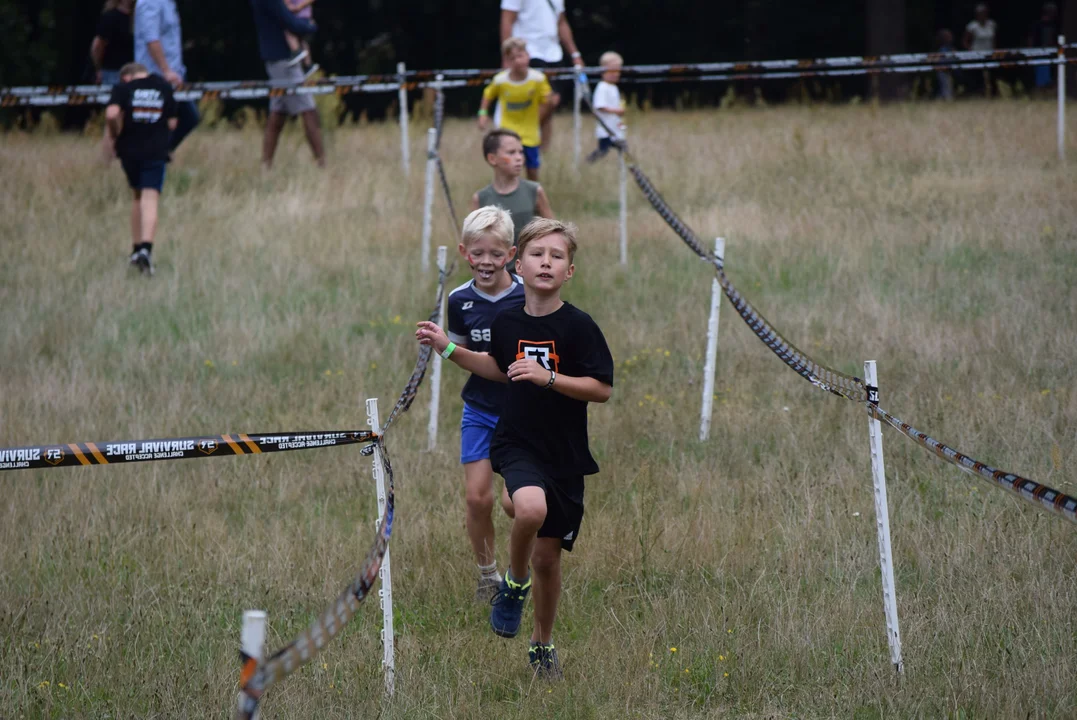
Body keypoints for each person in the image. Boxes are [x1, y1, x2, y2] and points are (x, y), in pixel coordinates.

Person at [416, 217, 614, 679]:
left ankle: (542, 644)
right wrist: (447, 349)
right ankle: (513, 581)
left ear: (569, 272)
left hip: (564, 452)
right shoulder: (507, 321)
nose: (547, 261)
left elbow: (601, 388)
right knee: (527, 509)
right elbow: (493, 366)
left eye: (557, 256)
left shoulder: (580, 326)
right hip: (516, 441)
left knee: (549, 559)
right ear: (519, 265)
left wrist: (549, 378)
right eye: (538, 254)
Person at [445, 206, 527, 602]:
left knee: (516, 504)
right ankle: (487, 575)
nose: (486, 262)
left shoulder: (527, 296)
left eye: (496, 254)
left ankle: (522, 567)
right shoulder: (459, 300)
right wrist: (444, 349)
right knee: (479, 497)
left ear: (511, 254)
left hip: (524, 411)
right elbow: (456, 352)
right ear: (465, 252)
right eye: (478, 253)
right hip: (478, 409)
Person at [105, 62, 178, 276]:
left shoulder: (123, 89)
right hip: (155, 150)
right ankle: (146, 248)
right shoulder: (164, 87)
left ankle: (136, 249)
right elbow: (173, 123)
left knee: (137, 195)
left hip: (129, 150)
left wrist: (114, 134)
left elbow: (111, 114)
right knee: (150, 197)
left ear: (126, 77)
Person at [500, 0, 584, 151]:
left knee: (551, 103)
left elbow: (561, 22)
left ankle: (539, 152)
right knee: (545, 101)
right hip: (528, 53)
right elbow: (507, 20)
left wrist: (575, 53)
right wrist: (507, 57)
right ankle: (518, 140)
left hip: (553, 54)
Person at [250, 0, 324, 169]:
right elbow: (288, 21)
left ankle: (265, 166)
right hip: (284, 60)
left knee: (278, 113)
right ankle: (322, 163)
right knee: (308, 109)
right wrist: (310, 26)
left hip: (277, 58)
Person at [478, 38, 554, 182]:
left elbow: (547, 101)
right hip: (507, 131)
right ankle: (508, 197)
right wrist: (482, 114)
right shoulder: (501, 80)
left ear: (528, 56)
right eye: (512, 58)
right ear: (506, 61)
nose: (518, 61)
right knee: (508, 169)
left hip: (530, 133)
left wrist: (543, 111)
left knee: (532, 169)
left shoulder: (538, 79)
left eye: (521, 56)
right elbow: (488, 95)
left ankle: (533, 198)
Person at [134, 0, 200, 155]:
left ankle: (160, 156)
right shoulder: (149, 3)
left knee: (188, 118)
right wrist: (166, 70)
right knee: (160, 123)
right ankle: (153, 158)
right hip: (155, 76)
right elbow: (152, 39)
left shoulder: (168, 3)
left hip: (174, 76)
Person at [471, 129, 555, 245]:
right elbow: (474, 244)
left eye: (521, 152)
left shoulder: (534, 191)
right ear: (492, 159)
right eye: (511, 152)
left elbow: (554, 234)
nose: (519, 158)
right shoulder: (480, 199)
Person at [585, 51, 626, 163]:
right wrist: (617, 111)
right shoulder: (602, 87)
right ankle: (588, 163)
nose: (616, 74)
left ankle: (623, 171)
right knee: (603, 150)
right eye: (612, 70)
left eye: (618, 70)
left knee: (623, 149)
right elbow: (600, 106)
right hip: (605, 129)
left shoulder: (614, 88)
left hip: (615, 128)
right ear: (603, 70)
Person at [91, 0, 134, 87]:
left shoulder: (140, 17)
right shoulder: (110, 17)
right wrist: (98, 68)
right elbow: (97, 46)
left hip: (136, 71)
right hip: (112, 71)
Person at [963, 3, 997, 97]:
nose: (983, 15)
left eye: (984, 13)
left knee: (991, 76)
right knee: (978, 76)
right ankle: (978, 93)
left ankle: (993, 93)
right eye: (980, 13)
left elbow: (994, 40)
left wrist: (994, 51)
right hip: (976, 54)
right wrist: (971, 52)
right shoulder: (972, 26)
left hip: (990, 54)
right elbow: (965, 41)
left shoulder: (992, 24)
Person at [283, 0, 319, 78]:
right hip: (303, 21)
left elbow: (291, 7)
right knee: (302, 40)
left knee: (288, 30)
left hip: (303, 21)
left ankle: (296, 52)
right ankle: (308, 64)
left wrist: (298, 7)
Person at [1029, 3, 1059, 93]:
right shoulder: (1038, 25)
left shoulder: (1053, 25)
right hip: (1039, 54)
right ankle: (1039, 93)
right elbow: (1031, 39)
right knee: (1040, 78)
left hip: (1050, 54)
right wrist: (1030, 52)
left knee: (1048, 77)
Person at [935, 29, 955, 101]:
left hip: (947, 70)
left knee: (946, 86)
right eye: (949, 36)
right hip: (943, 70)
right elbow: (940, 62)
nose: (951, 38)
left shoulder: (949, 48)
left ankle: (944, 98)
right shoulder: (943, 49)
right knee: (945, 86)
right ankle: (947, 99)